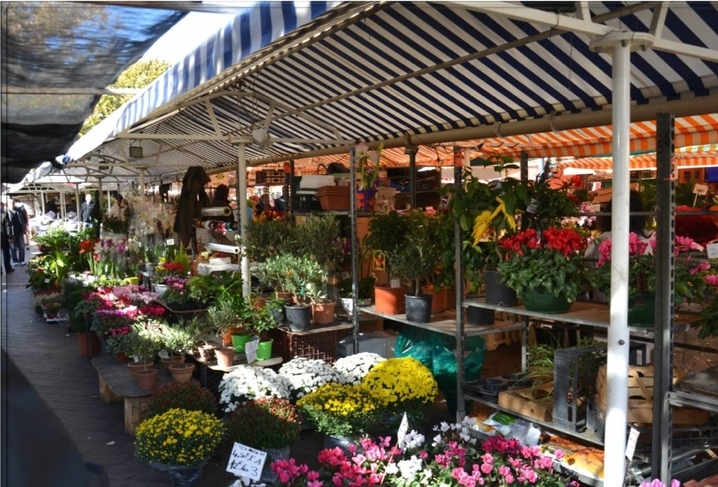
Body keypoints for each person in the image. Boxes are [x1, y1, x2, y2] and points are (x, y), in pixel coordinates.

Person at [9, 200, 28, 266]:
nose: (12, 204)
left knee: (21, 246)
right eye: (11, 203)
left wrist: (25, 227)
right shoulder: (7, 212)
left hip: (20, 231)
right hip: (11, 232)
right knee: (13, 247)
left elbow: (25, 218)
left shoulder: (19, 211)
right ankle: (15, 260)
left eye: (13, 203)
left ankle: (22, 260)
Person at [1, 202, 15, 274]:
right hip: (3, 237)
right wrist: (10, 236)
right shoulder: (4, 214)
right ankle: (8, 268)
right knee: (6, 254)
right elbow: (8, 226)